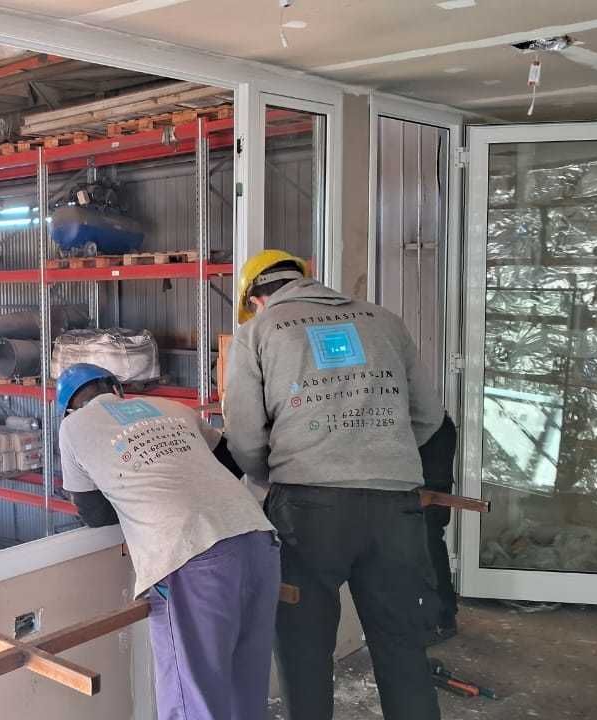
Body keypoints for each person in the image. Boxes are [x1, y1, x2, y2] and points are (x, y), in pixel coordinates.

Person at [223, 250, 445, 720]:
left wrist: (275, 474)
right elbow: (428, 417)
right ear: (306, 279)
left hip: (307, 508)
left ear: (256, 299)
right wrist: (377, 450)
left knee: (305, 653)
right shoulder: (385, 320)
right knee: (403, 649)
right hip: (395, 506)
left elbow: (244, 438)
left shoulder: (258, 332)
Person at [56, 363, 279, 720]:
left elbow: (94, 514)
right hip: (257, 538)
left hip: (191, 556)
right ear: (117, 390)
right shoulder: (172, 408)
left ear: (68, 408)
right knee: (245, 692)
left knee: (193, 702)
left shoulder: (73, 427)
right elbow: (230, 460)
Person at [420, 414, 459, 643]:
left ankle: (441, 616)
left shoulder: (431, 422)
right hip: (431, 483)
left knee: (427, 540)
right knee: (429, 539)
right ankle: (442, 615)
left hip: (428, 485)